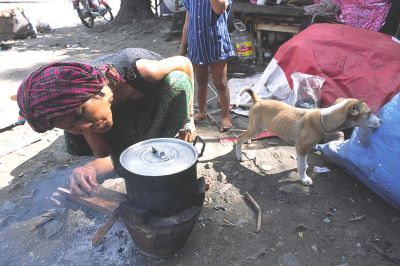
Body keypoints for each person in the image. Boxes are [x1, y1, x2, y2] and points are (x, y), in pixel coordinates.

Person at [17, 48, 196, 196]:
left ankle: (152, 139)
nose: (85, 127)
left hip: (151, 100)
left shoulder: (143, 71)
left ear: (96, 92)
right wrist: (88, 170)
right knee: (79, 130)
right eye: (72, 126)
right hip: (118, 111)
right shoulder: (79, 111)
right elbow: (103, 155)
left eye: (80, 116)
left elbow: (185, 63)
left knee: (178, 83)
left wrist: (189, 119)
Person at [179, 0, 235, 131]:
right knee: (201, 81)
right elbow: (187, 22)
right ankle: (202, 111)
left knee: (220, 83)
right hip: (197, 45)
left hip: (216, 44)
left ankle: (225, 116)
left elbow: (219, 8)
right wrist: (183, 47)